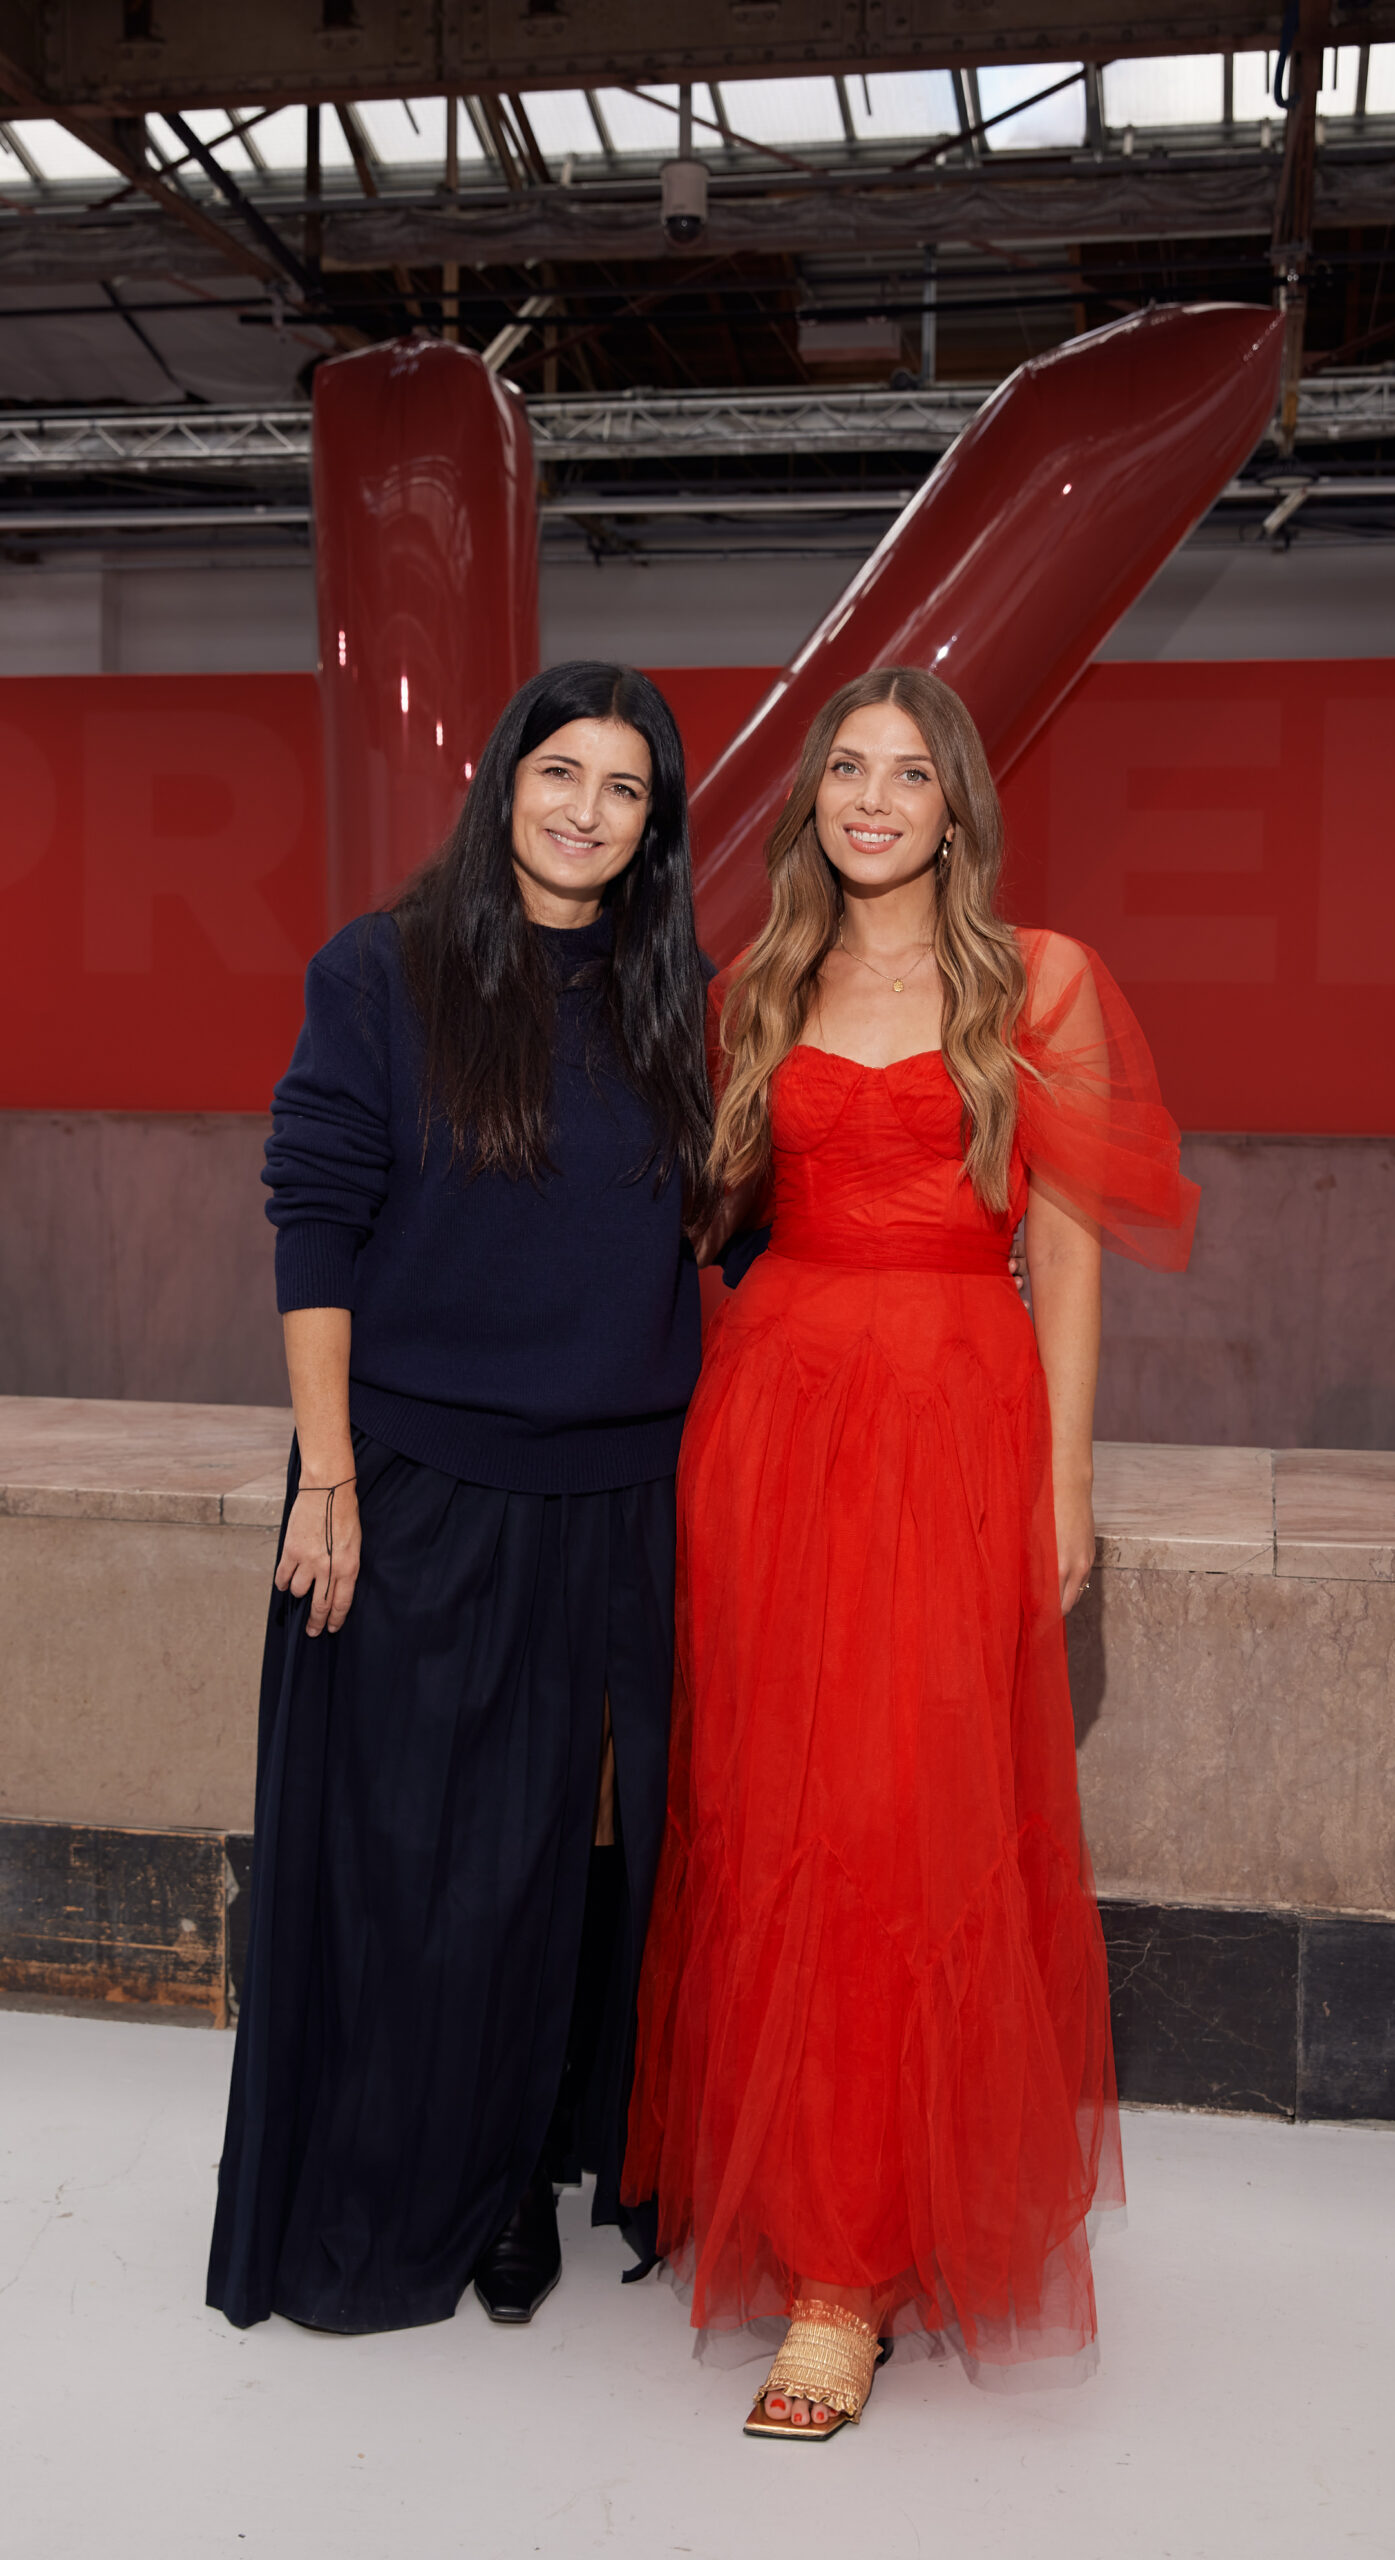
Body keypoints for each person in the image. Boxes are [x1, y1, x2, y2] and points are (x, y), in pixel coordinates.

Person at [624, 666, 1196, 2435]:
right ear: (815, 802)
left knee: (906, 1814)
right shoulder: (760, 986)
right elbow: (699, 1222)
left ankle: (856, 2270)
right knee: (773, 1811)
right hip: (772, 1427)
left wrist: (1065, 1481)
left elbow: (1072, 1251)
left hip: (955, 1422)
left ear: (957, 808)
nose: (873, 799)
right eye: (846, 771)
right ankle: (817, 2234)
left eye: (909, 774)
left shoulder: (1043, 981)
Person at [208, 661, 712, 2335]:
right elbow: (316, 1219)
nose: (586, 810)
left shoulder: (683, 997)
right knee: (432, 1866)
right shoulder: (384, 971)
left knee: (592, 1866)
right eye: (560, 772)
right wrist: (327, 1474)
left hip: (627, 1492)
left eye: (624, 788)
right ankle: (443, 2176)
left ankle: (540, 2168)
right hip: (423, 1483)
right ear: (504, 781)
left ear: (655, 827)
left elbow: (748, 1217)